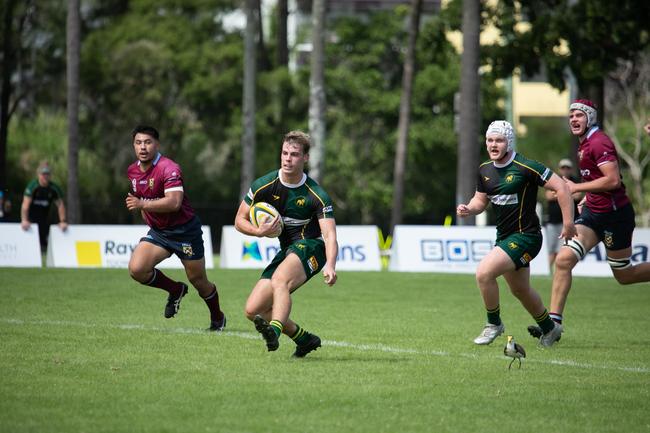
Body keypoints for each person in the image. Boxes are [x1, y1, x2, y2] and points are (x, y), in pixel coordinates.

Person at [528, 100, 650, 343]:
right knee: (563, 260)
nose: (573, 119)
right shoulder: (584, 144)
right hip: (594, 214)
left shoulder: (599, 142)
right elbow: (597, 181)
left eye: (579, 115)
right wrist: (586, 197)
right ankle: (553, 325)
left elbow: (613, 180)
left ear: (590, 118)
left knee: (624, 275)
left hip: (616, 217)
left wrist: (576, 188)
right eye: (571, 115)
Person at [457, 120, 576, 347]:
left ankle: (494, 324)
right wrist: (469, 208)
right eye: (490, 140)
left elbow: (561, 187)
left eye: (499, 140)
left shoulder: (525, 166)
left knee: (484, 273)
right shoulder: (485, 170)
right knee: (520, 290)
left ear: (509, 142)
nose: (493, 145)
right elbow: (480, 200)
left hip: (527, 236)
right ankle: (550, 329)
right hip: (504, 237)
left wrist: (568, 223)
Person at [234, 130, 338, 357]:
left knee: (280, 280)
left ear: (305, 158)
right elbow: (239, 220)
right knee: (253, 310)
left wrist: (330, 264)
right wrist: (258, 231)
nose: (288, 158)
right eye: (284, 153)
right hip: (287, 251)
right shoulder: (264, 185)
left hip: (312, 247)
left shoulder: (316, 194)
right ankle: (305, 340)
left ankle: (275, 331)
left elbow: (329, 235)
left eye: (294, 154)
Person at [125, 125, 226, 331]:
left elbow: (174, 203)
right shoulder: (132, 171)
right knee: (137, 270)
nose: (143, 147)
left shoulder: (169, 168)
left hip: (185, 232)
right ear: (134, 145)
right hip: (160, 233)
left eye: (148, 142)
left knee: (199, 281)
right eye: (138, 142)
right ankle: (176, 289)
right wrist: (147, 215)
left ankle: (218, 317)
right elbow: (141, 199)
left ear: (157, 144)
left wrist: (143, 205)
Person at [20, 161, 68, 251]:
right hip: (31, 219)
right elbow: (25, 205)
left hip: (45, 218)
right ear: (38, 175)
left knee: (44, 244)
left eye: (47, 174)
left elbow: (60, 205)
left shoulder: (54, 188)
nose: (45, 176)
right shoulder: (33, 186)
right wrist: (24, 220)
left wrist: (62, 221)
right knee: (30, 247)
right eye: (43, 174)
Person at [544, 158, 581, 271]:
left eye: (568, 168)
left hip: (568, 223)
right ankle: (547, 270)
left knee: (563, 250)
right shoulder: (554, 180)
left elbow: (578, 196)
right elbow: (548, 196)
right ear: (559, 169)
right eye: (563, 168)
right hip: (553, 222)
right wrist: (567, 193)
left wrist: (559, 193)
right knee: (551, 249)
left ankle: (558, 271)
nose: (565, 170)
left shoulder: (575, 180)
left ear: (571, 169)